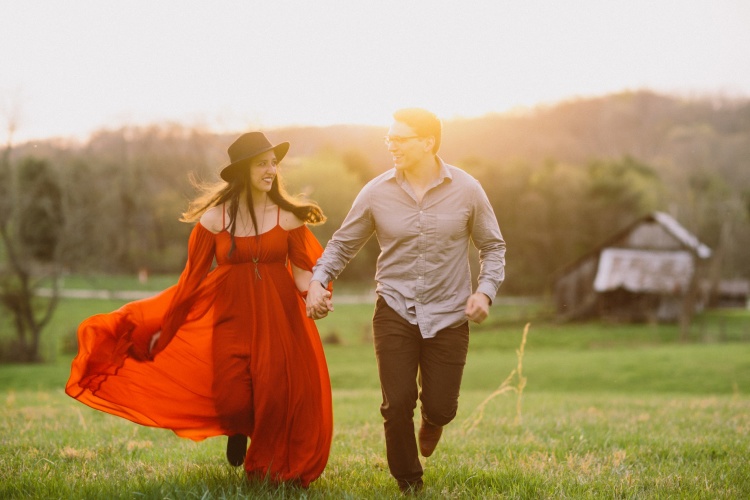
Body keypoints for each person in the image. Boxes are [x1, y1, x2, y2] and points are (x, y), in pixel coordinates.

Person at [66, 132, 333, 488]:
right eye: (262, 164)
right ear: (242, 170)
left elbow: (303, 272)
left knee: (274, 394)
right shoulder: (214, 220)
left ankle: (267, 471)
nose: (271, 170)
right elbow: (191, 280)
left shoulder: (289, 218)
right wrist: (167, 326)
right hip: (230, 320)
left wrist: (314, 295)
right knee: (233, 397)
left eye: (273, 163)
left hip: (278, 320)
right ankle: (238, 429)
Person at [306, 108, 506, 493]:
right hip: (394, 308)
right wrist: (319, 281)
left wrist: (484, 292)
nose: (391, 146)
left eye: (400, 139)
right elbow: (342, 245)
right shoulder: (376, 192)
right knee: (396, 404)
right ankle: (409, 481)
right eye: (389, 139)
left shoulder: (467, 189)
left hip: (449, 313)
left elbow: (493, 246)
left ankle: (433, 420)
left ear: (427, 142)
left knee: (442, 405)